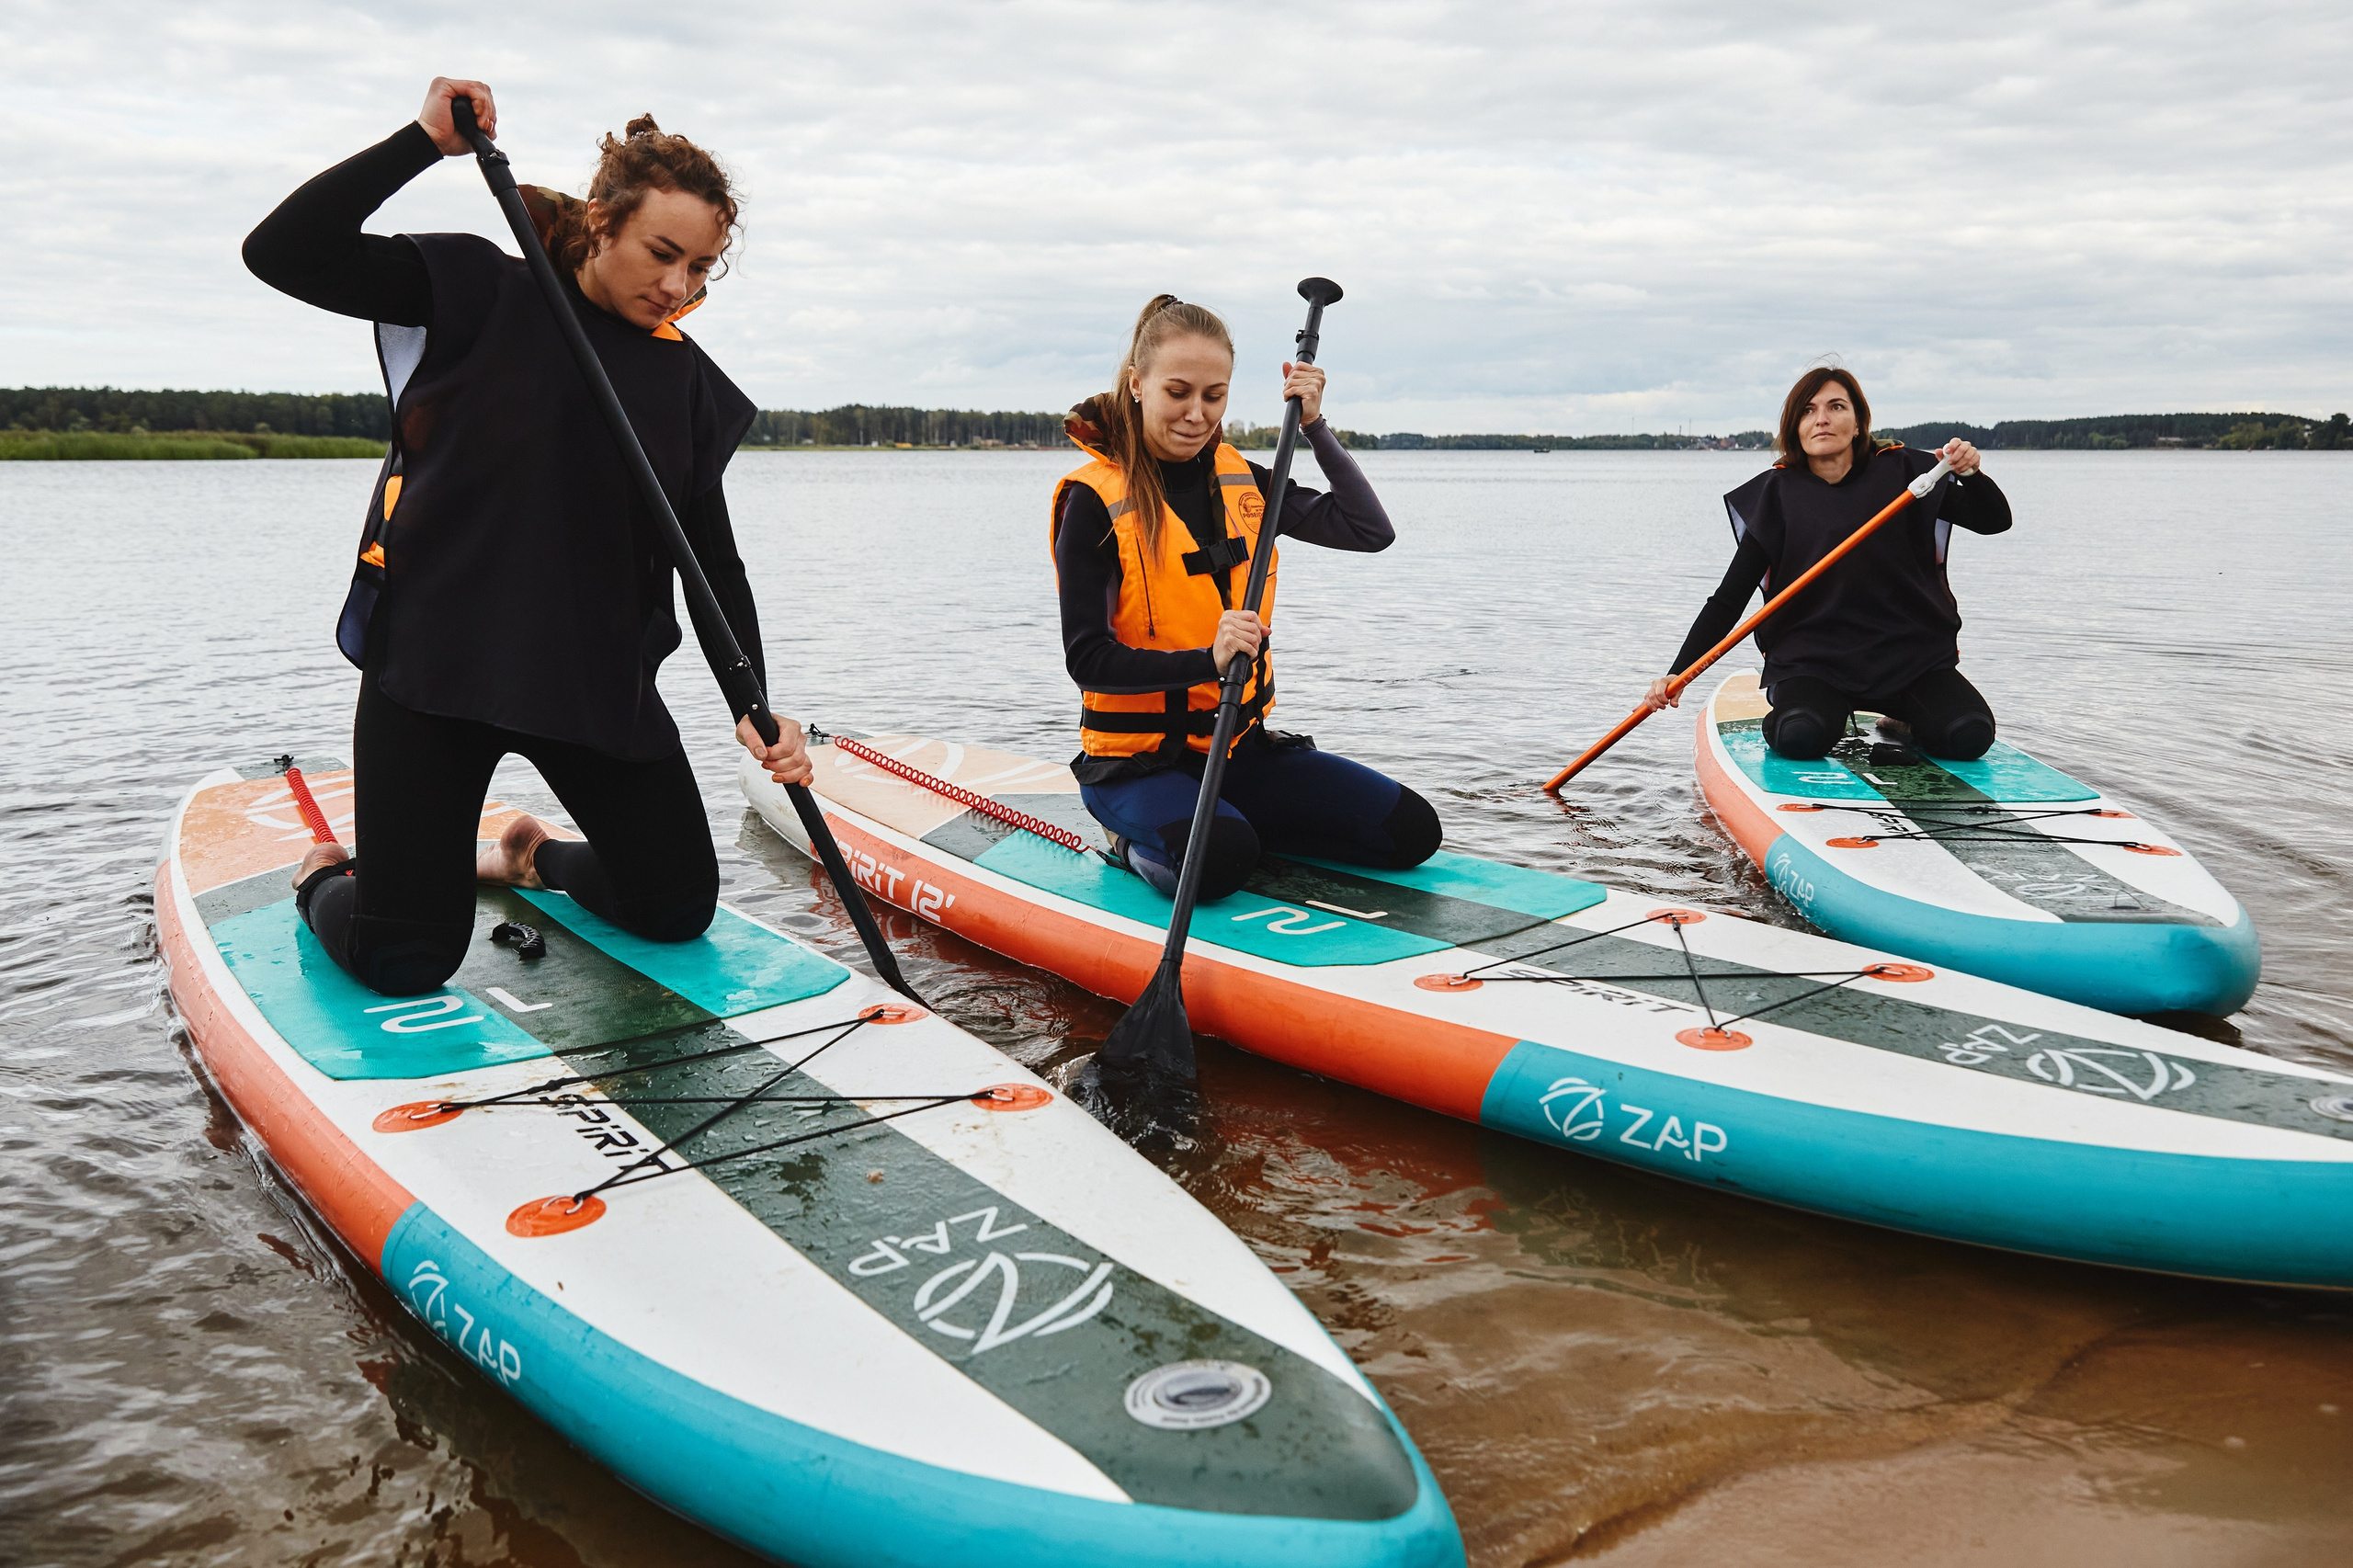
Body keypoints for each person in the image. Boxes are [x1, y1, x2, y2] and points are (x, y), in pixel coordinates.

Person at [242, 77, 809, 995]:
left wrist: (754, 699)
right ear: (602, 221)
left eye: (701, 269)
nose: (676, 286)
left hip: (593, 681)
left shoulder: (684, 383)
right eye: (662, 253)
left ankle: (532, 856)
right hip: (438, 670)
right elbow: (281, 251)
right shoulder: (474, 288)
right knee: (405, 958)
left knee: (673, 906)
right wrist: (423, 143)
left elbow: (709, 556)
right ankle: (322, 876)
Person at [1051, 294, 1441, 902]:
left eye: (1214, 395)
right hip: (1136, 768)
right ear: (1137, 384)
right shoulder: (1094, 502)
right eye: (1178, 392)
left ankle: (1237, 827)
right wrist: (1204, 662)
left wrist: (1314, 425)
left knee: (1410, 832)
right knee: (1224, 861)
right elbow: (1088, 659)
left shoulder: (1247, 484)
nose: (1196, 413)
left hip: (1239, 752)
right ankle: (1130, 843)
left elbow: (1371, 531)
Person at [1641, 367, 2013, 760]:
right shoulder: (1776, 495)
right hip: (1812, 663)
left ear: (1857, 424)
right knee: (1799, 736)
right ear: (1795, 428)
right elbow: (1729, 599)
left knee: (1969, 736)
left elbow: (1994, 522)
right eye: (1808, 410)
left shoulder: (1909, 474)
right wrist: (1679, 672)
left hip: (1911, 659)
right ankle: (1807, 714)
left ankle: (1905, 722)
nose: (1822, 418)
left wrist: (1971, 474)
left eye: (1836, 406)